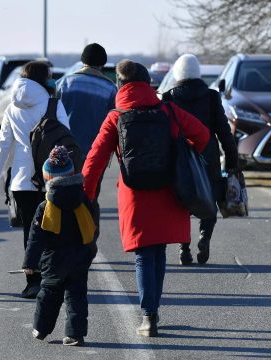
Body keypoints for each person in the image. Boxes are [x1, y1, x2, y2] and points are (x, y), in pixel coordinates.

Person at [82, 60, 210, 337]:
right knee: (159, 251)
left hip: (134, 194)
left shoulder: (116, 116)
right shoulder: (168, 111)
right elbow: (202, 134)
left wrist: (86, 196)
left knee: (143, 255)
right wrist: (184, 152)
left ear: (120, 84)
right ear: (147, 82)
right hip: (167, 190)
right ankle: (153, 312)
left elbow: (94, 160)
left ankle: (147, 316)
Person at [0, 61, 69, 299]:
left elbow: (2, 147)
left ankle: (32, 281)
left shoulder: (12, 108)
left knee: (30, 234)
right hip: (51, 178)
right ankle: (52, 278)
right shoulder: (53, 104)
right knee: (53, 229)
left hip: (22, 182)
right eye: (50, 76)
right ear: (43, 79)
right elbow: (66, 138)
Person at [162, 54, 238, 265]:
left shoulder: (168, 97)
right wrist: (232, 162)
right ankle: (205, 237)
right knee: (209, 199)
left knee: (182, 202)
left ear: (177, 73)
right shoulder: (212, 97)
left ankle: (184, 247)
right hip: (208, 156)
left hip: (180, 160)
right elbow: (224, 132)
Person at [23, 146, 97, 347]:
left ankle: (41, 328)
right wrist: (89, 250)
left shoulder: (45, 207)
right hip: (80, 257)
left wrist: (29, 263)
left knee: (48, 295)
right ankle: (75, 334)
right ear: (72, 174)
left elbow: (36, 238)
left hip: (53, 260)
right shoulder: (83, 200)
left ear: (48, 178)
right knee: (76, 296)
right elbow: (93, 226)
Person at [56, 43, 118, 235]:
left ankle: (65, 242)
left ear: (82, 61)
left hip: (64, 152)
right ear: (103, 64)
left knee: (62, 199)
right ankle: (88, 242)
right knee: (90, 198)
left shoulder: (64, 83)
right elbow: (114, 123)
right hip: (96, 154)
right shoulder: (110, 89)